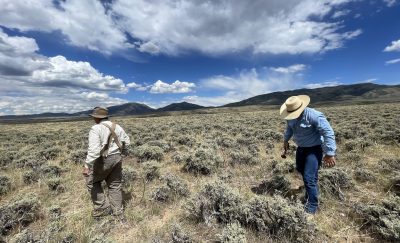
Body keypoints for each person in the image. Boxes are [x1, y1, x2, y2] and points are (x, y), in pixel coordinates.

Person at [280, 95, 336, 215]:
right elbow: (289, 129)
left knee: (309, 177)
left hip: (314, 149)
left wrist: (330, 153)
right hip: (301, 149)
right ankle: (311, 191)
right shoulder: (290, 117)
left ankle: (311, 207)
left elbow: (328, 132)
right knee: (301, 170)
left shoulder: (314, 115)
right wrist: (286, 140)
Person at [83, 107, 130, 220]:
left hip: (103, 160)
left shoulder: (96, 128)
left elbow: (94, 150)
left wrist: (87, 165)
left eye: (94, 116)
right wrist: (121, 153)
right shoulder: (117, 126)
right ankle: (118, 214)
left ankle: (102, 207)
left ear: (96, 117)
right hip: (117, 159)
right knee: (115, 186)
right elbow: (127, 142)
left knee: (92, 182)